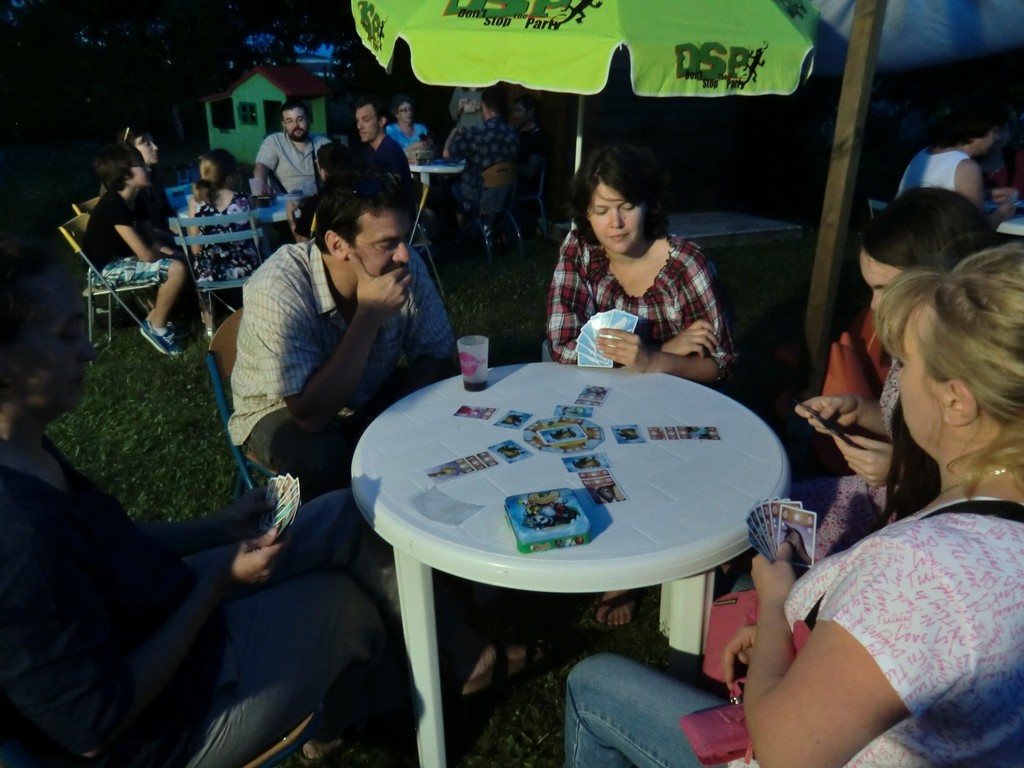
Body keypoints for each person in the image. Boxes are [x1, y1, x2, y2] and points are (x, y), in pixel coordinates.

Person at [563, 243, 1024, 767]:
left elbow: (783, 752)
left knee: (592, 682)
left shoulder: (922, 570)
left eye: (908, 364)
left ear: (956, 402)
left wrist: (780, 604)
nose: (897, 381)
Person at [0, 234, 400, 767]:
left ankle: (453, 653)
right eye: (67, 336)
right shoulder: (17, 531)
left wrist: (218, 528)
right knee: (348, 605)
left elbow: (106, 545)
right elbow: (94, 726)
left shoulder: (23, 446)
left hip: (161, 603)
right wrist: (216, 586)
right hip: (164, 728)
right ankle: (384, 705)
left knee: (347, 514)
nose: (90, 350)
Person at [546, 143, 736, 626]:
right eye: (601, 210)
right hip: (604, 400)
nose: (615, 224)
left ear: (649, 205)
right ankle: (612, 539)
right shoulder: (579, 251)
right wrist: (665, 350)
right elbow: (563, 343)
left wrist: (651, 360)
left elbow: (720, 366)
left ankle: (631, 570)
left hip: (681, 407)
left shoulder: (685, 264)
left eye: (626, 207)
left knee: (650, 462)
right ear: (585, 213)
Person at [228, 168, 452, 500]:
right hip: (278, 408)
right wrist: (368, 319)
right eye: (386, 243)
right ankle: (336, 543)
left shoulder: (399, 262)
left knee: (447, 407)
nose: (404, 253)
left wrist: (390, 422)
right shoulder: (277, 288)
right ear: (337, 244)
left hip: (365, 393)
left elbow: (438, 353)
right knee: (326, 459)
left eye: (404, 237)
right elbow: (309, 415)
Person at [792, 187, 991, 558]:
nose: (875, 305)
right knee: (771, 516)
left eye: (885, 288)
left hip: (927, 527)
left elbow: (988, 480)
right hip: (885, 495)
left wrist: (902, 472)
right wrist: (858, 409)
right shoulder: (914, 344)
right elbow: (909, 420)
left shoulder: (980, 372)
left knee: (780, 551)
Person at [83, 144, 189, 356]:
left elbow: (153, 241)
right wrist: (173, 259)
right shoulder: (114, 204)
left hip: (124, 261)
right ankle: (156, 328)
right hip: (104, 271)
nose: (148, 169)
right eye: (140, 165)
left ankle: (155, 318)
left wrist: (176, 249)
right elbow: (146, 254)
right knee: (176, 270)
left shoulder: (137, 199)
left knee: (180, 261)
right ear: (125, 175)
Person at [897, 98, 1018, 228]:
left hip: (905, 236)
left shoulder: (924, 153)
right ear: (982, 128)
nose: (997, 138)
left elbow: (943, 194)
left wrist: (985, 194)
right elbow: (974, 230)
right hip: (937, 244)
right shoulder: (966, 167)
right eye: (995, 131)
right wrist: (1002, 214)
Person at [186, 149, 263, 336]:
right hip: (245, 267)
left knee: (199, 263)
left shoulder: (195, 203)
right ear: (229, 176)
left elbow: (195, 249)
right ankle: (256, 315)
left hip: (210, 270)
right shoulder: (244, 200)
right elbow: (257, 241)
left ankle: (209, 327)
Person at [443, 85, 519, 217]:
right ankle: (472, 230)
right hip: (502, 198)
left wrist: (454, 132)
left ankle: (458, 233)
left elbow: (447, 154)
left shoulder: (478, 134)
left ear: (483, 106)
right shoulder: (513, 134)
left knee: (443, 191)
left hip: (475, 197)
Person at [115, 125, 176, 248]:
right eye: (146, 144)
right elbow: (141, 233)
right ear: (130, 151)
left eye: (152, 142)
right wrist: (175, 238)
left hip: (161, 238)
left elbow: (166, 210)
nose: (155, 147)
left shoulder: (154, 174)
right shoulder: (125, 188)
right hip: (142, 247)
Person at [253, 100, 331, 195]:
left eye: (300, 119)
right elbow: (261, 166)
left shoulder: (322, 143)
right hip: (283, 205)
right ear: (283, 124)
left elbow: (338, 172)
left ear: (309, 119)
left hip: (317, 202)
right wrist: (260, 185)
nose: (296, 126)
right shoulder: (274, 141)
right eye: (289, 121)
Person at [354, 95, 414, 214]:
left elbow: (387, 198)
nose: (359, 126)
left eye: (366, 120)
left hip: (395, 220)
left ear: (381, 121)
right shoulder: (372, 151)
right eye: (358, 121)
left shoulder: (389, 153)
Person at [287, 142, 352, 243]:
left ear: (324, 172)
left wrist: (290, 214)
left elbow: (303, 241)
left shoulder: (318, 203)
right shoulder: (361, 195)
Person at [512, 94, 549, 199]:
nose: (515, 115)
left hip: (525, 186)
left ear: (530, 111)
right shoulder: (515, 134)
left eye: (519, 111)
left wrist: (509, 166)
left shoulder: (538, 137)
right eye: (514, 111)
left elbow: (530, 172)